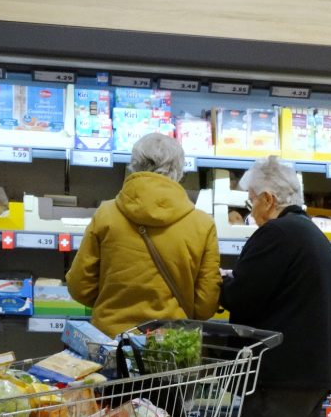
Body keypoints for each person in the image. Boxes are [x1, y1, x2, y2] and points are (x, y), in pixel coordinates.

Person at [221, 156, 331, 417]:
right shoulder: (312, 235)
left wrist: (221, 284)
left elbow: (241, 295)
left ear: (268, 199)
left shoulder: (277, 234)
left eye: (251, 201)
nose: (250, 211)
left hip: (281, 377)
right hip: (311, 374)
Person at [67, 132, 221, 337]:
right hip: (172, 344)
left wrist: (113, 303)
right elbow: (205, 305)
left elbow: (79, 286)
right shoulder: (202, 224)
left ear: (134, 165)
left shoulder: (106, 214)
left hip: (111, 339)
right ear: (180, 170)